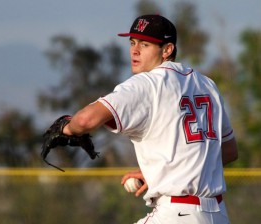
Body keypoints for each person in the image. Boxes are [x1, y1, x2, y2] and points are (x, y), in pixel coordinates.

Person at [62, 14, 238, 224]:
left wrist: (65, 128)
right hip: (217, 215)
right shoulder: (207, 85)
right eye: (133, 42)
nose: (134, 50)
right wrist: (166, 171)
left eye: (145, 44)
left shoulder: (147, 83)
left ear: (167, 50)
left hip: (176, 214)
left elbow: (84, 121)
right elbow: (228, 151)